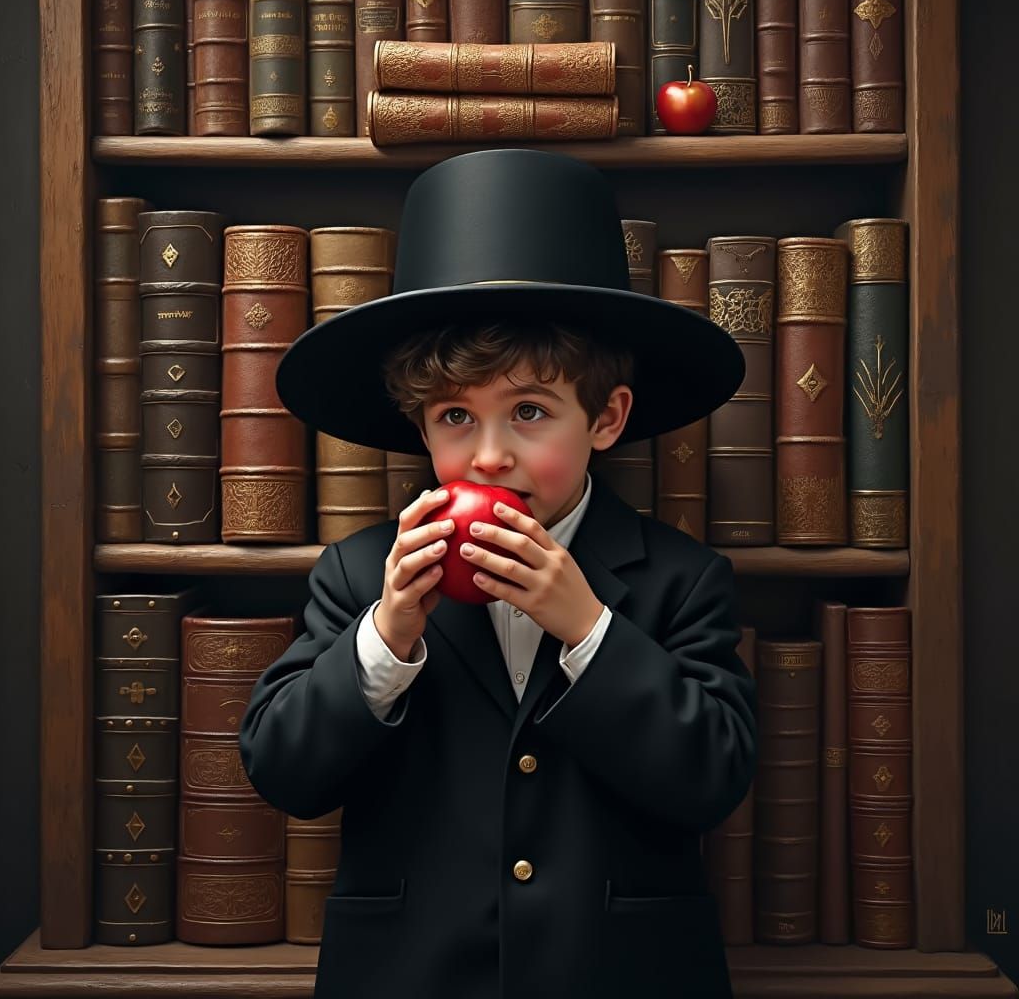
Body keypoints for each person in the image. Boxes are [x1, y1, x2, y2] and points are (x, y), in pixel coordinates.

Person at [239, 148, 757, 999]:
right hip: (410, 976)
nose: (488, 455)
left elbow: (714, 780)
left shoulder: (681, 577)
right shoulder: (360, 572)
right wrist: (386, 637)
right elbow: (283, 773)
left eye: (528, 411)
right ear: (421, 429)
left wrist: (590, 628)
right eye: (455, 416)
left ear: (607, 417)